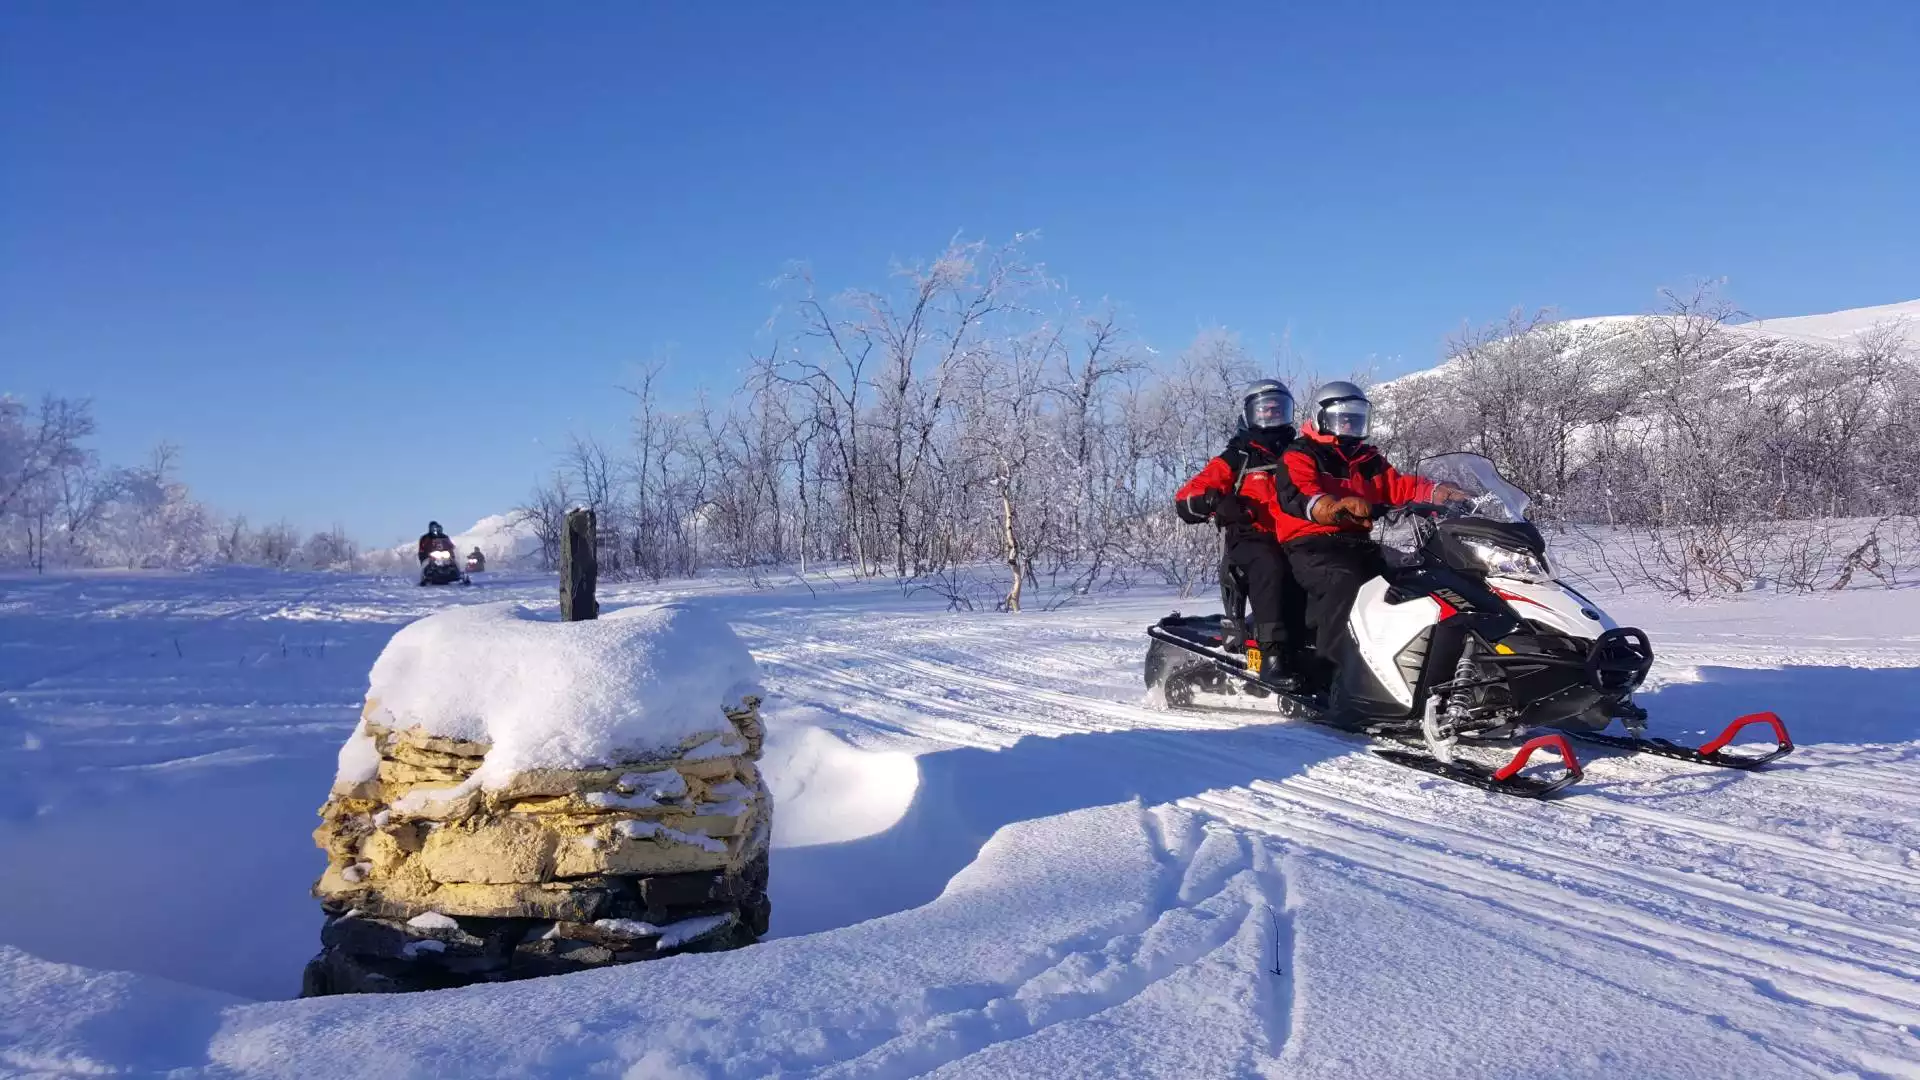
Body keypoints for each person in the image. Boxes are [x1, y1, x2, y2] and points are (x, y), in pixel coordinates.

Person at [1273, 381, 1464, 667]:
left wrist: (1437, 492)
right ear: (1322, 418)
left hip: (1361, 542)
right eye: (1343, 417)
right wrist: (1333, 508)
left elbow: (1398, 486)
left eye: (1356, 417)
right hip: (1313, 544)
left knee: (1414, 581)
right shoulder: (1301, 454)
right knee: (1345, 583)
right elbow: (1301, 493)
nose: (1349, 424)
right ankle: (1333, 672)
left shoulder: (1368, 459)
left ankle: (1411, 667)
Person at [1173, 379, 1311, 689]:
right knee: (1271, 565)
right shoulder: (1238, 457)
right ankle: (1272, 657)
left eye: (1278, 409)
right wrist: (1216, 501)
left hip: (1297, 536)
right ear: (1250, 414)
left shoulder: (1301, 454)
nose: (1271, 415)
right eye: (1264, 410)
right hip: (1251, 537)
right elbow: (1186, 499)